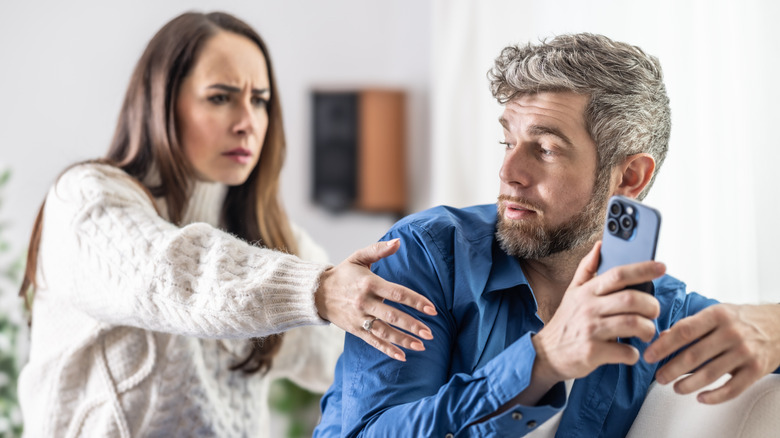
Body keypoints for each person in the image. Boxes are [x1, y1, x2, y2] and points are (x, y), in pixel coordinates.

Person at [315, 33, 780, 437]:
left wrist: (773, 323)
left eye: (545, 149)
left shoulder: (655, 311)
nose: (508, 171)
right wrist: (542, 360)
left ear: (629, 177)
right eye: (507, 141)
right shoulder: (427, 255)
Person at [16, 11, 436, 437]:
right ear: (162, 102)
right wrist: (321, 290)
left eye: (260, 101)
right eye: (220, 98)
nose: (247, 122)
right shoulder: (86, 199)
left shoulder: (270, 236)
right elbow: (174, 274)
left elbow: (348, 351)